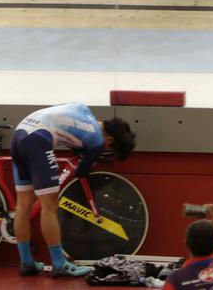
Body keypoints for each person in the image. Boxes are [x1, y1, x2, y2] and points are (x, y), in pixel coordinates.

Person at [9, 102, 136, 277]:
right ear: (110, 140)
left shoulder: (86, 114)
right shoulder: (98, 141)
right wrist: (91, 158)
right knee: (49, 206)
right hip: (37, 141)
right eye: (110, 151)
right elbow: (81, 172)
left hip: (20, 135)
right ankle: (59, 264)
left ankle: (26, 262)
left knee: (23, 205)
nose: (105, 152)